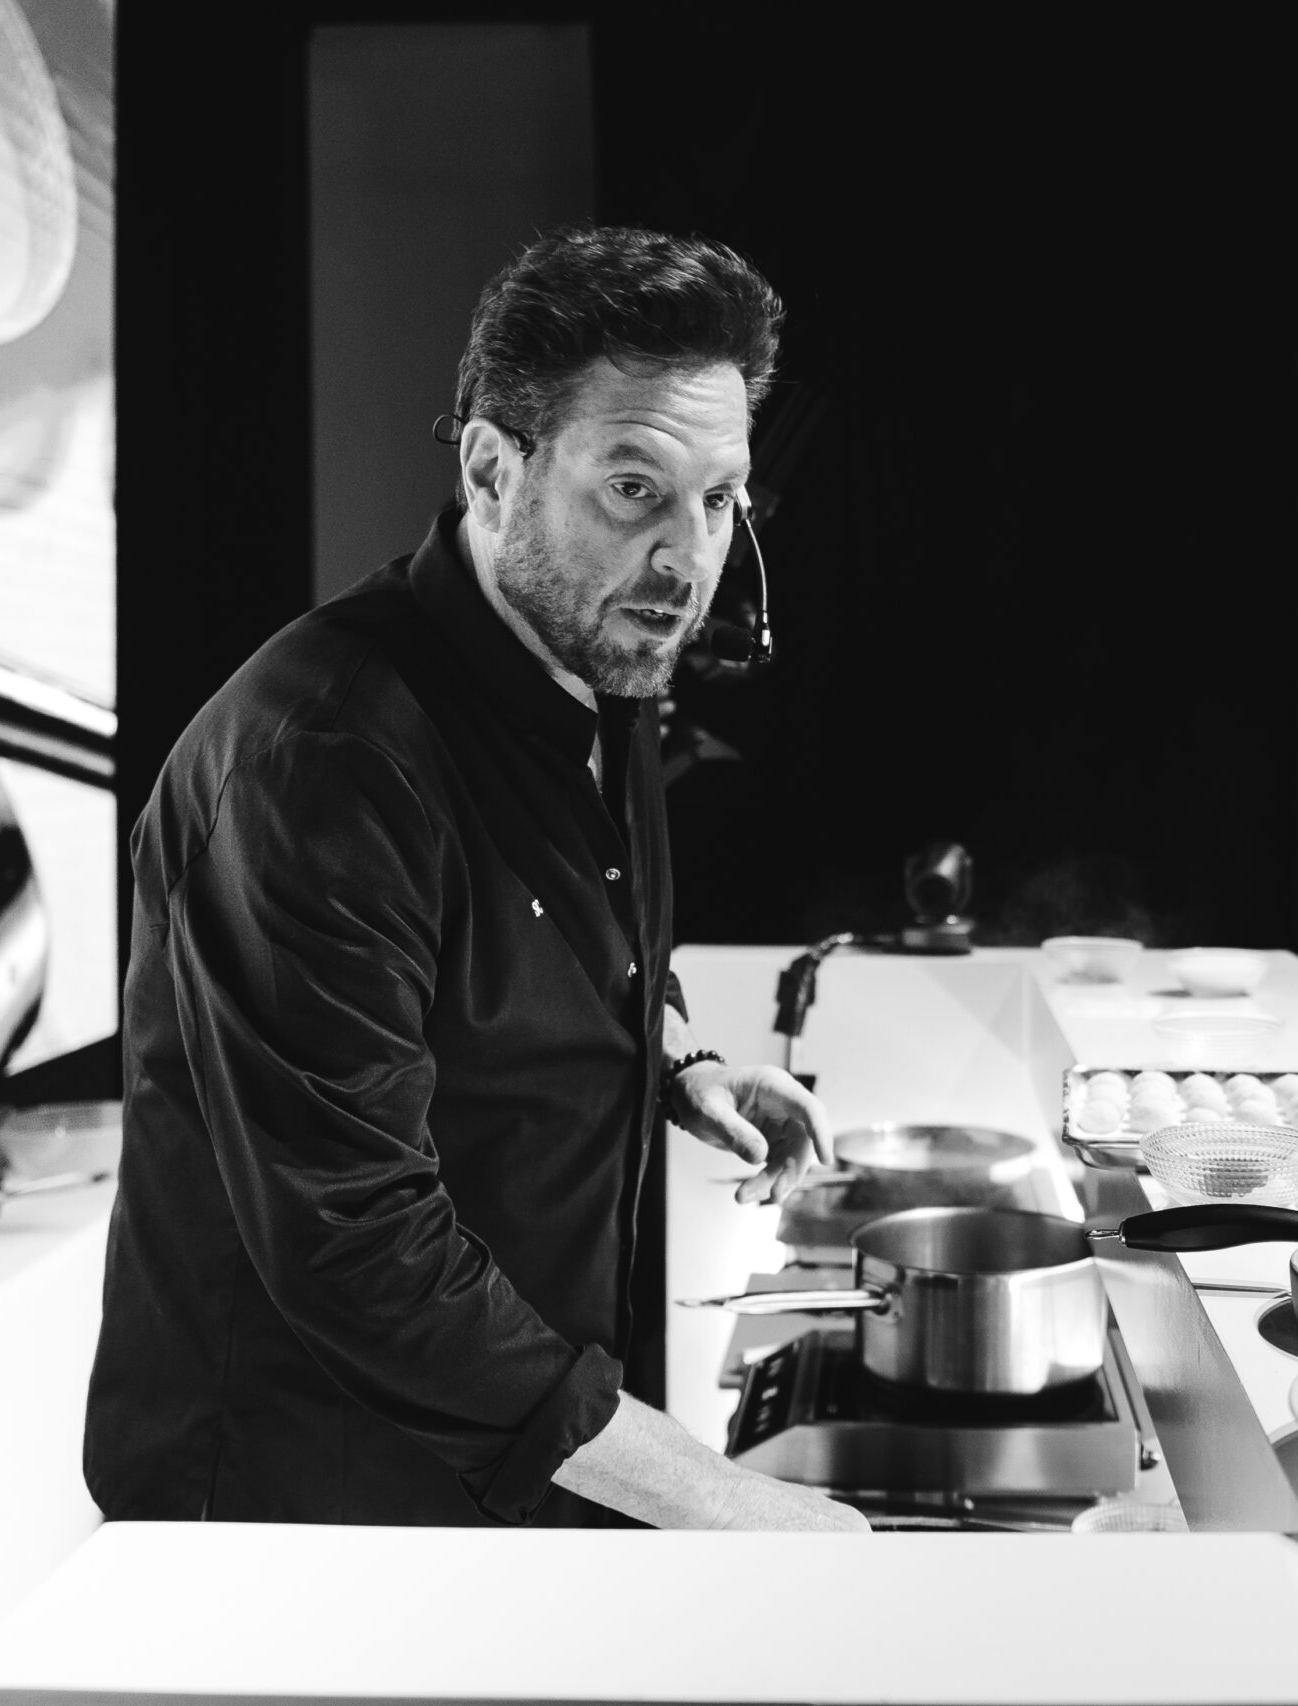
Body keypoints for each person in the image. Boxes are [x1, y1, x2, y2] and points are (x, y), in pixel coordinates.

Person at [84, 227, 868, 1531]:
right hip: (308, 1520)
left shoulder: (603, 663)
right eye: (635, 488)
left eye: (721, 499)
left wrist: (676, 1063)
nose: (689, 561)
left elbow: (568, 943)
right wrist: (721, 1502)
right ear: (494, 471)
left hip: (516, 1476)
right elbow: (360, 1249)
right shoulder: (322, 763)